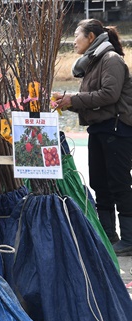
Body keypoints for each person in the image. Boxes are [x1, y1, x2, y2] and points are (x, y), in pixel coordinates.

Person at [54, 19, 132, 256]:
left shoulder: (111, 60)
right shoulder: (93, 63)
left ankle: (129, 239)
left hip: (116, 129)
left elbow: (108, 95)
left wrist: (73, 100)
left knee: (118, 184)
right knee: (99, 183)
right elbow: (91, 98)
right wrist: (67, 102)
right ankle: (108, 235)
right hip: (99, 129)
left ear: (90, 37)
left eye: (77, 35)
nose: (74, 40)